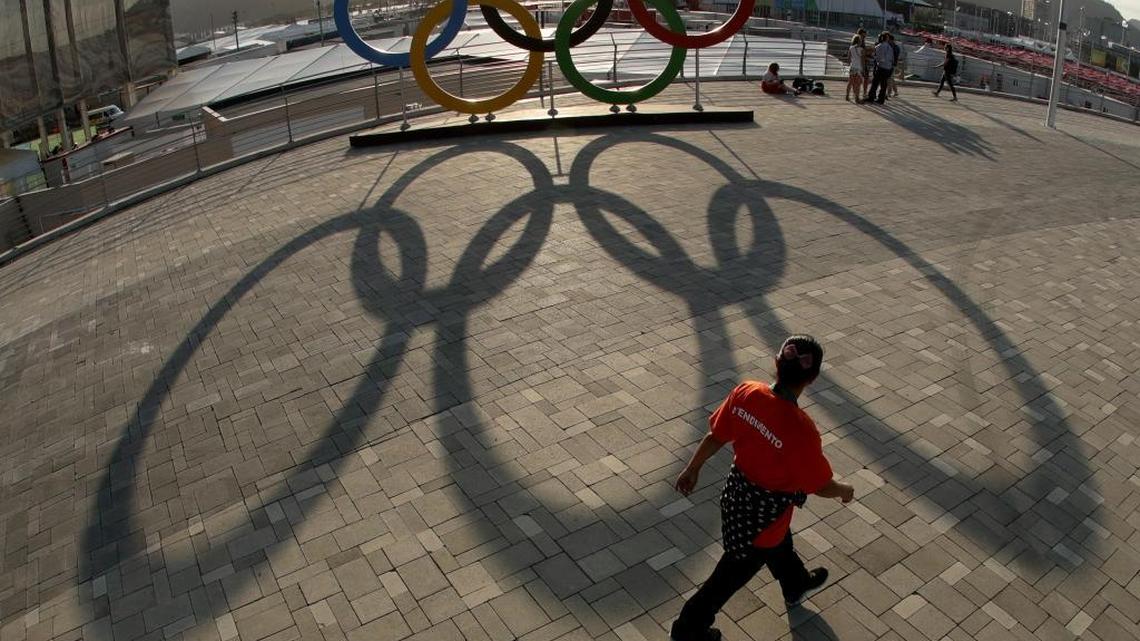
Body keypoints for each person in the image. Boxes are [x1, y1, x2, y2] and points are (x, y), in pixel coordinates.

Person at [669, 335, 856, 641]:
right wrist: (844, 489)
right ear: (813, 379)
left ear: (776, 363)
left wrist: (693, 468)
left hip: (737, 497)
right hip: (762, 520)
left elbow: (717, 435)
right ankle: (687, 628)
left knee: (781, 540)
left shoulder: (747, 392)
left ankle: (795, 585)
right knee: (728, 576)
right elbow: (820, 485)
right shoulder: (801, 430)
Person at [867, 32, 895, 105]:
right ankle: (881, 99)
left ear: (882, 38)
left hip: (881, 67)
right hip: (888, 68)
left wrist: (873, 57)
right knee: (884, 84)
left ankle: (871, 97)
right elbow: (892, 59)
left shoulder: (880, 46)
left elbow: (879, 58)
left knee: (875, 82)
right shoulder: (890, 47)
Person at [846, 34, 865, 102]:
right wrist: (863, 69)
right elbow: (862, 60)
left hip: (852, 66)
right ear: (859, 41)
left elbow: (848, 58)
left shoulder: (851, 48)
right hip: (859, 68)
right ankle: (857, 98)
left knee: (850, 82)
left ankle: (847, 96)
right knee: (858, 83)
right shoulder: (861, 49)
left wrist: (851, 63)